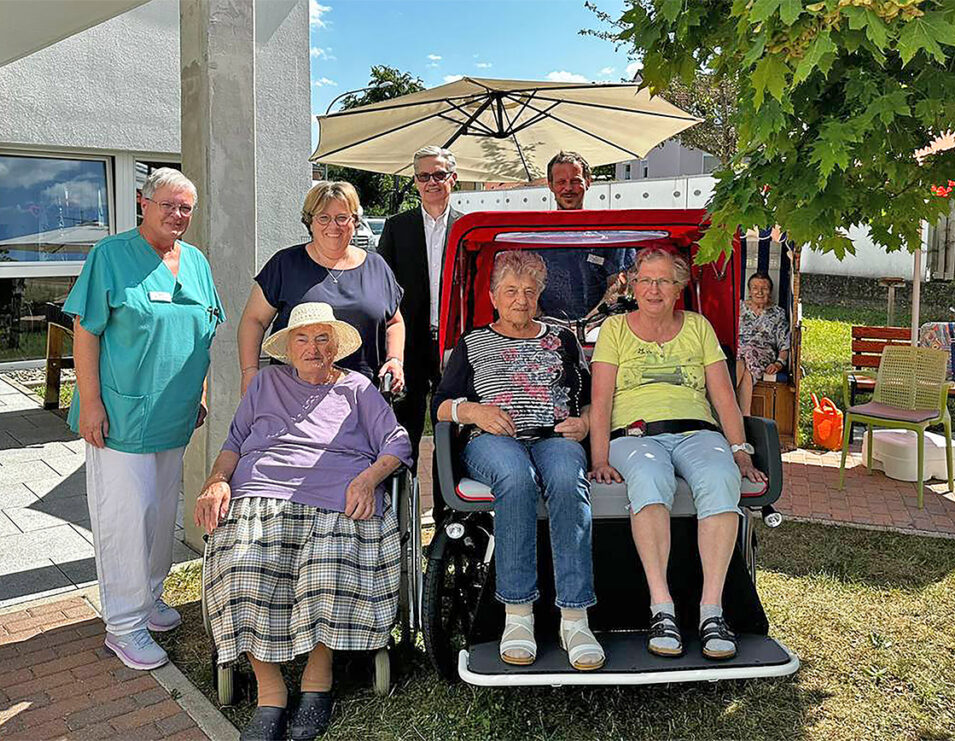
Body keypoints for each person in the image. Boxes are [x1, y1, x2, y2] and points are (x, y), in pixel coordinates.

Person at [196, 303, 411, 741]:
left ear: (336, 346)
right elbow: (234, 442)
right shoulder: (266, 384)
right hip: (262, 491)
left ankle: (318, 679)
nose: (313, 349)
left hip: (339, 496)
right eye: (302, 339)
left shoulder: (358, 388)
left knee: (326, 573)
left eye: (322, 339)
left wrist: (369, 479)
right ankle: (270, 691)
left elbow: (398, 441)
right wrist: (217, 480)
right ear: (288, 349)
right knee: (241, 570)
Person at [65, 167, 223, 670]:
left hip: (173, 416)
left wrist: (199, 392)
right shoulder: (109, 256)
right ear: (143, 202)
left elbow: (204, 333)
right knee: (124, 520)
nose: (178, 215)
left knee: (158, 517)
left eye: (186, 208)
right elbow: (86, 332)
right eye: (168, 204)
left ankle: (150, 599)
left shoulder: (195, 261)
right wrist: (90, 403)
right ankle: (124, 625)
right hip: (120, 414)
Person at [589, 246, 766, 661]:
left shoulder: (698, 327)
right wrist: (598, 459)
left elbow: (724, 398)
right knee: (651, 479)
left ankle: (712, 611)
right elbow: (600, 403)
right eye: (646, 280)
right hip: (635, 435)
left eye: (663, 280)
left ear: (679, 287)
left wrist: (739, 450)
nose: (653, 289)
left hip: (698, 431)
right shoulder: (614, 330)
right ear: (633, 284)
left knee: (721, 476)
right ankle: (662, 609)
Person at [433, 251, 604, 671]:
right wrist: (474, 412)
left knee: (567, 478)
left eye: (529, 291)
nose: (521, 300)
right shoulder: (472, 342)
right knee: (516, 478)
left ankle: (575, 619)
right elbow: (439, 406)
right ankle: (518, 616)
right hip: (493, 439)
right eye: (511, 291)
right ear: (493, 296)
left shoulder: (562, 338)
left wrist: (583, 423)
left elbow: (588, 399)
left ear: (539, 295)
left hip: (555, 435)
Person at [238, 181, 404, 397]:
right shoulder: (285, 264)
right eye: (323, 217)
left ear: (354, 221)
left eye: (342, 217)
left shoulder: (377, 266)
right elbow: (254, 320)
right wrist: (249, 371)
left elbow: (394, 321)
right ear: (310, 222)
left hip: (364, 397)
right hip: (293, 395)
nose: (333, 226)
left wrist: (394, 359)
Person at [378, 146, 463, 474]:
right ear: (415, 182)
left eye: (439, 175)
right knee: (405, 428)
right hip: (409, 341)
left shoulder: (466, 228)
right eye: (424, 176)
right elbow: (383, 288)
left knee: (453, 429)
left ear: (452, 179)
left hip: (454, 343)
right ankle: (402, 514)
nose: (431, 182)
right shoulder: (397, 227)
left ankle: (453, 519)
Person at [536, 151, 635, 319]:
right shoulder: (533, 236)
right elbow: (521, 284)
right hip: (544, 330)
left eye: (575, 181)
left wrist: (589, 323)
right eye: (561, 182)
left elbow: (619, 283)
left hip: (597, 329)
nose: (568, 188)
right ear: (550, 185)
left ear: (588, 182)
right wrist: (544, 325)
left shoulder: (609, 235)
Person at [736, 271, 790, 415]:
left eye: (764, 288)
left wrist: (779, 363)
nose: (759, 292)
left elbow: (784, 341)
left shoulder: (777, 313)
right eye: (755, 288)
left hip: (763, 353)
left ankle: (724, 401)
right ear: (749, 291)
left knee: (747, 353)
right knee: (746, 368)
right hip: (739, 354)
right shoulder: (739, 308)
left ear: (770, 291)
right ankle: (744, 418)